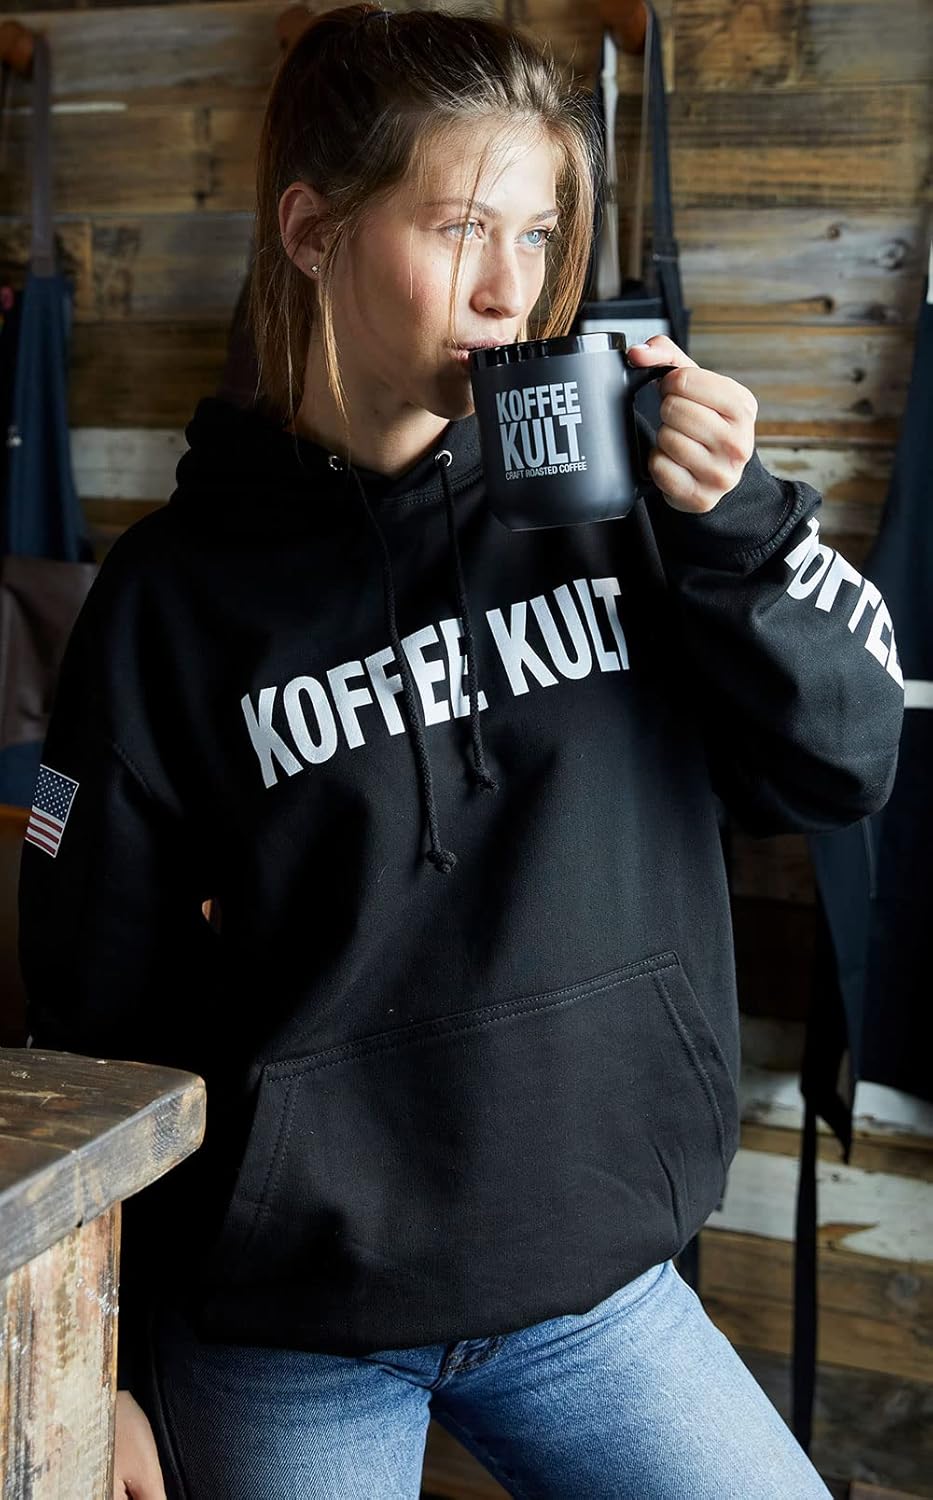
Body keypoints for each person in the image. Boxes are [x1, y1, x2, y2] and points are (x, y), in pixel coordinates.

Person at [18, 5, 904, 1498]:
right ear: (313, 230)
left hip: (594, 1288)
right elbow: (95, 1004)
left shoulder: (632, 505)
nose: (512, 289)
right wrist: (101, 1361)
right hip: (286, 1324)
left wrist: (741, 530)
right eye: (459, 226)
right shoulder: (171, 598)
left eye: (538, 233)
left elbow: (844, 764)